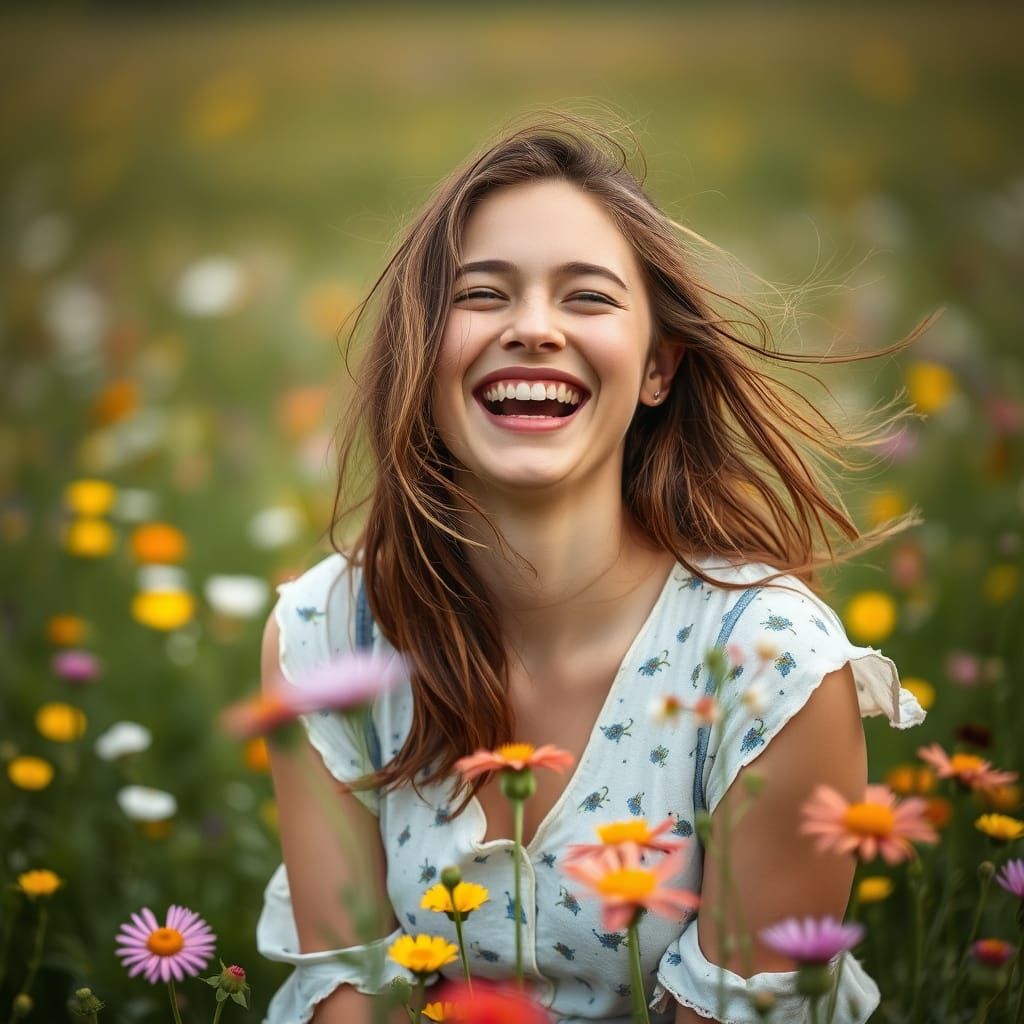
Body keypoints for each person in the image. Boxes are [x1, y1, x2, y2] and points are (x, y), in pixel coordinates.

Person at [256, 111, 935, 1024]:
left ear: (658, 368)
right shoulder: (328, 638)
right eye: (483, 294)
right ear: (422, 355)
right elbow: (348, 997)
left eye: (587, 297)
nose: (534, 328)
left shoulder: (775, 666)